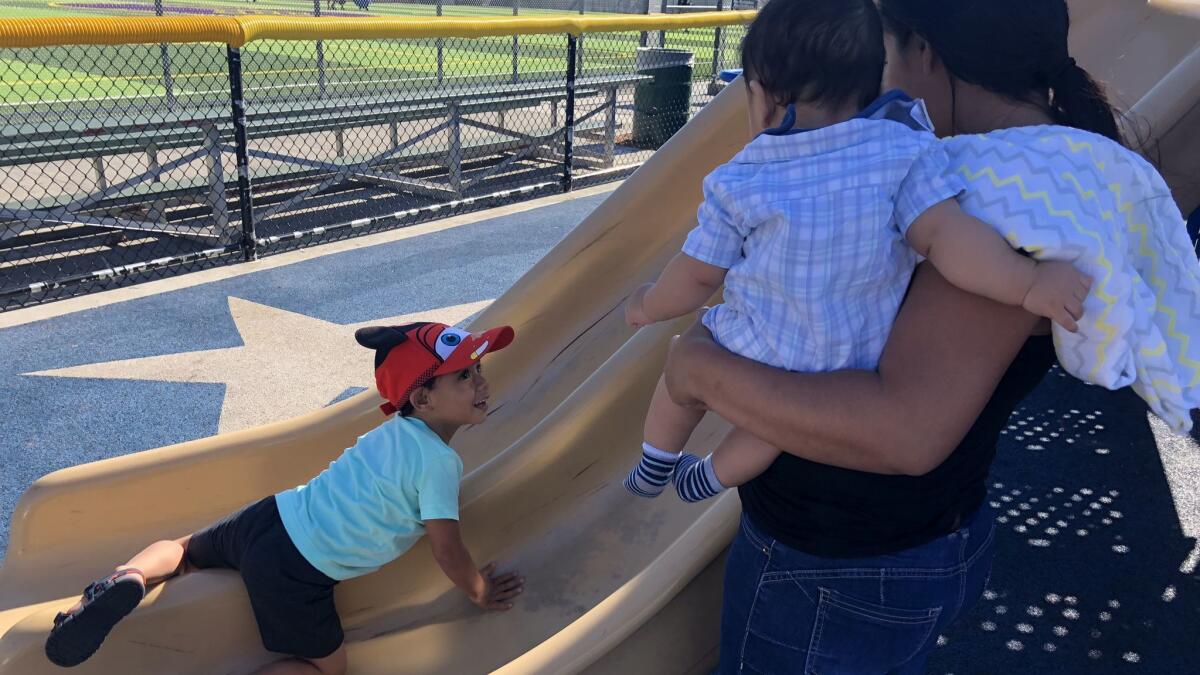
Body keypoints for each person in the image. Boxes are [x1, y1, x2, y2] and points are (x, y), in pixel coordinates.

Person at [662, 0, 1200, 672]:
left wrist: (697, 371)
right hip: (906, 544)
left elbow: (904, 430)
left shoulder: (1001, 198)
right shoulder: (1046, 169)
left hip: (839, 568)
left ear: (924, 51)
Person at [622, 0, 1090, 505]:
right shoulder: (904, 151)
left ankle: (656, 461)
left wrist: (647, 304)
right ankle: (712, 476)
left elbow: (695, 278)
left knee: (680, 375)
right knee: (775, 431)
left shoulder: (741, 179)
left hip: (761, 347)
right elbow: (948, 238)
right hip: (854, 357)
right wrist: (1028, 283)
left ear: (761, 99)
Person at [44, 322, 525, 675]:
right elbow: (446, 547)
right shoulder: (440, 464)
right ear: (422, 399)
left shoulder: (392, 429)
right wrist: (478, 592)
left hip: (273, 516)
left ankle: (128, 576)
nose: (481, 381)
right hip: (298, 573)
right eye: (464, 375)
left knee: (185, 549)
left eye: (478, 368)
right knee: (327, 670)